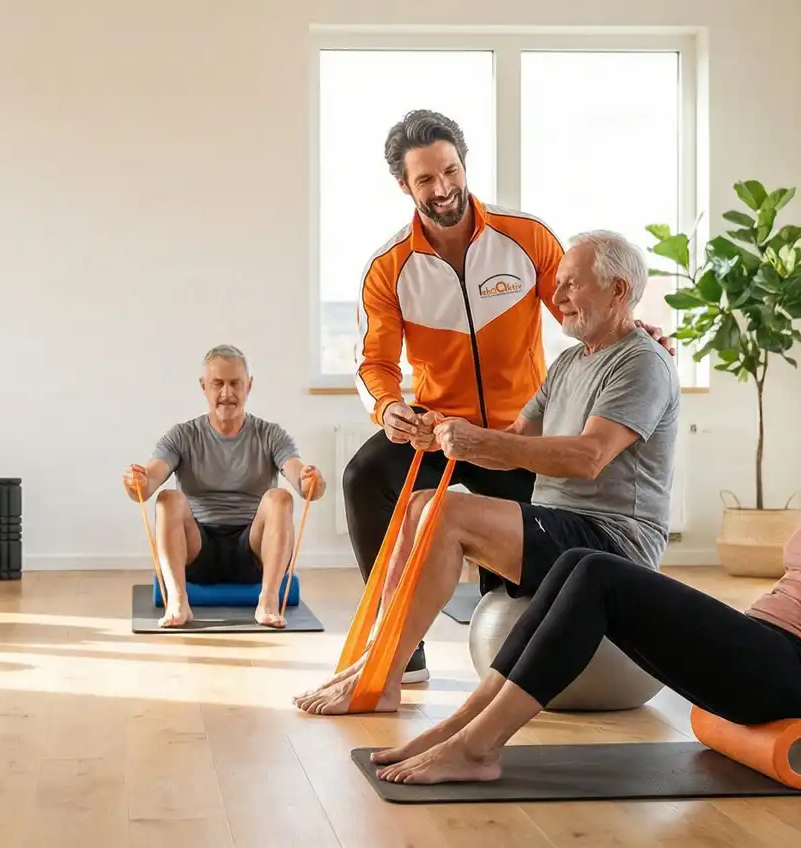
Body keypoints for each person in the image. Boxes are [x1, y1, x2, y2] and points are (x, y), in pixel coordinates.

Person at [367, 337, 801, 791]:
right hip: (772, 648)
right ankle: (463, 729)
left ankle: (479, 746)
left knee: (600, 574)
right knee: (580, 560)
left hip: (798, 674)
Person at [346, 109, 671, 682]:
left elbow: (583, 311)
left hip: (517, 432)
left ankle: (530, 650)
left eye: (450, 170)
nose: (443, 188)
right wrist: (390, 408)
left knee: (513, 571)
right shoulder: (389, 267)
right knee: (366, 473)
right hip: (440, 429)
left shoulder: (525, 238)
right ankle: (402, 644)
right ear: (404, 185)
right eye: (426, 179)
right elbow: (374, 363)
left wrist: (636, 330)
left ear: (463, 164)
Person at [297, 230, 680, 715]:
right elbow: (514, 443)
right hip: (563, 527)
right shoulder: (567, 364)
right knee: (419, 503)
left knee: (447, 514)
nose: (557, 296)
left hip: (613, 544)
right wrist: (438, 433)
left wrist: (480, 439)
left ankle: (384, 676)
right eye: (557, 283)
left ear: (618, 291)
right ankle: (379, 658)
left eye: (572, 285)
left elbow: (590, 457)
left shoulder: (641, 363)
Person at [123, 345, 326, 628]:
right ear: (204, 387)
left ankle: (267, 602)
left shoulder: (270, 434)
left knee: (280, 497)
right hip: (197, 550)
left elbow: (302, 481)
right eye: (218, 384)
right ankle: (179, 602)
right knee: (168, 498)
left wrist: (310, 479)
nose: (227, 393)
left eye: (235, 384)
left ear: (249, 386)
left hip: (252, 551)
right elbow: (148, 483)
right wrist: (139, 481)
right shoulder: (182, 435)